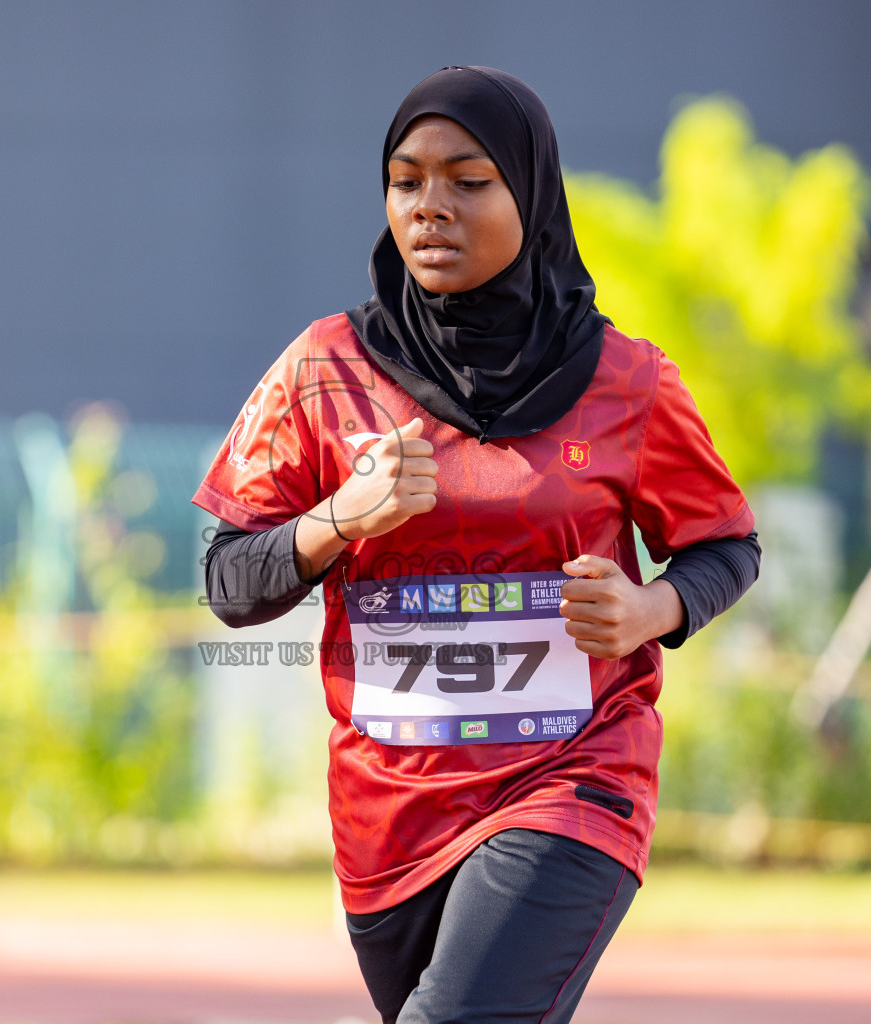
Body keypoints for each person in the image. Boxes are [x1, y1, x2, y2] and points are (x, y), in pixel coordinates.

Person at [193, 66, 759, 1024]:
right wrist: (343, 518)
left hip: (573, 781)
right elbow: (228, 581)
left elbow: (727, 545)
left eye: (468, 180)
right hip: (389, 819)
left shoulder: (627, 380)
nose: (431, 208)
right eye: (407, 181)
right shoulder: (324, 371)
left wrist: (649, 608)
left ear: (530, 196)